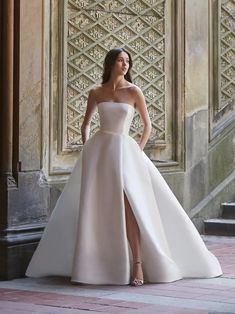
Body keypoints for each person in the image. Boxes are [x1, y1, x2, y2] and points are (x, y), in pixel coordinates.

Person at [26, 48, 222, 286]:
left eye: (128, 61)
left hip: (126, 152)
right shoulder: (96, 92)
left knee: (131, 206)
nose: (125, 64)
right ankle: (100, 264)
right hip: (100, 153)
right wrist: (87, 147)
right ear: (111, 64)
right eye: (121, 60)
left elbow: (147, 126)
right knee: (100, 207)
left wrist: (137, 150)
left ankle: (137, 263)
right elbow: (86, 124)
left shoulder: (134, 91)